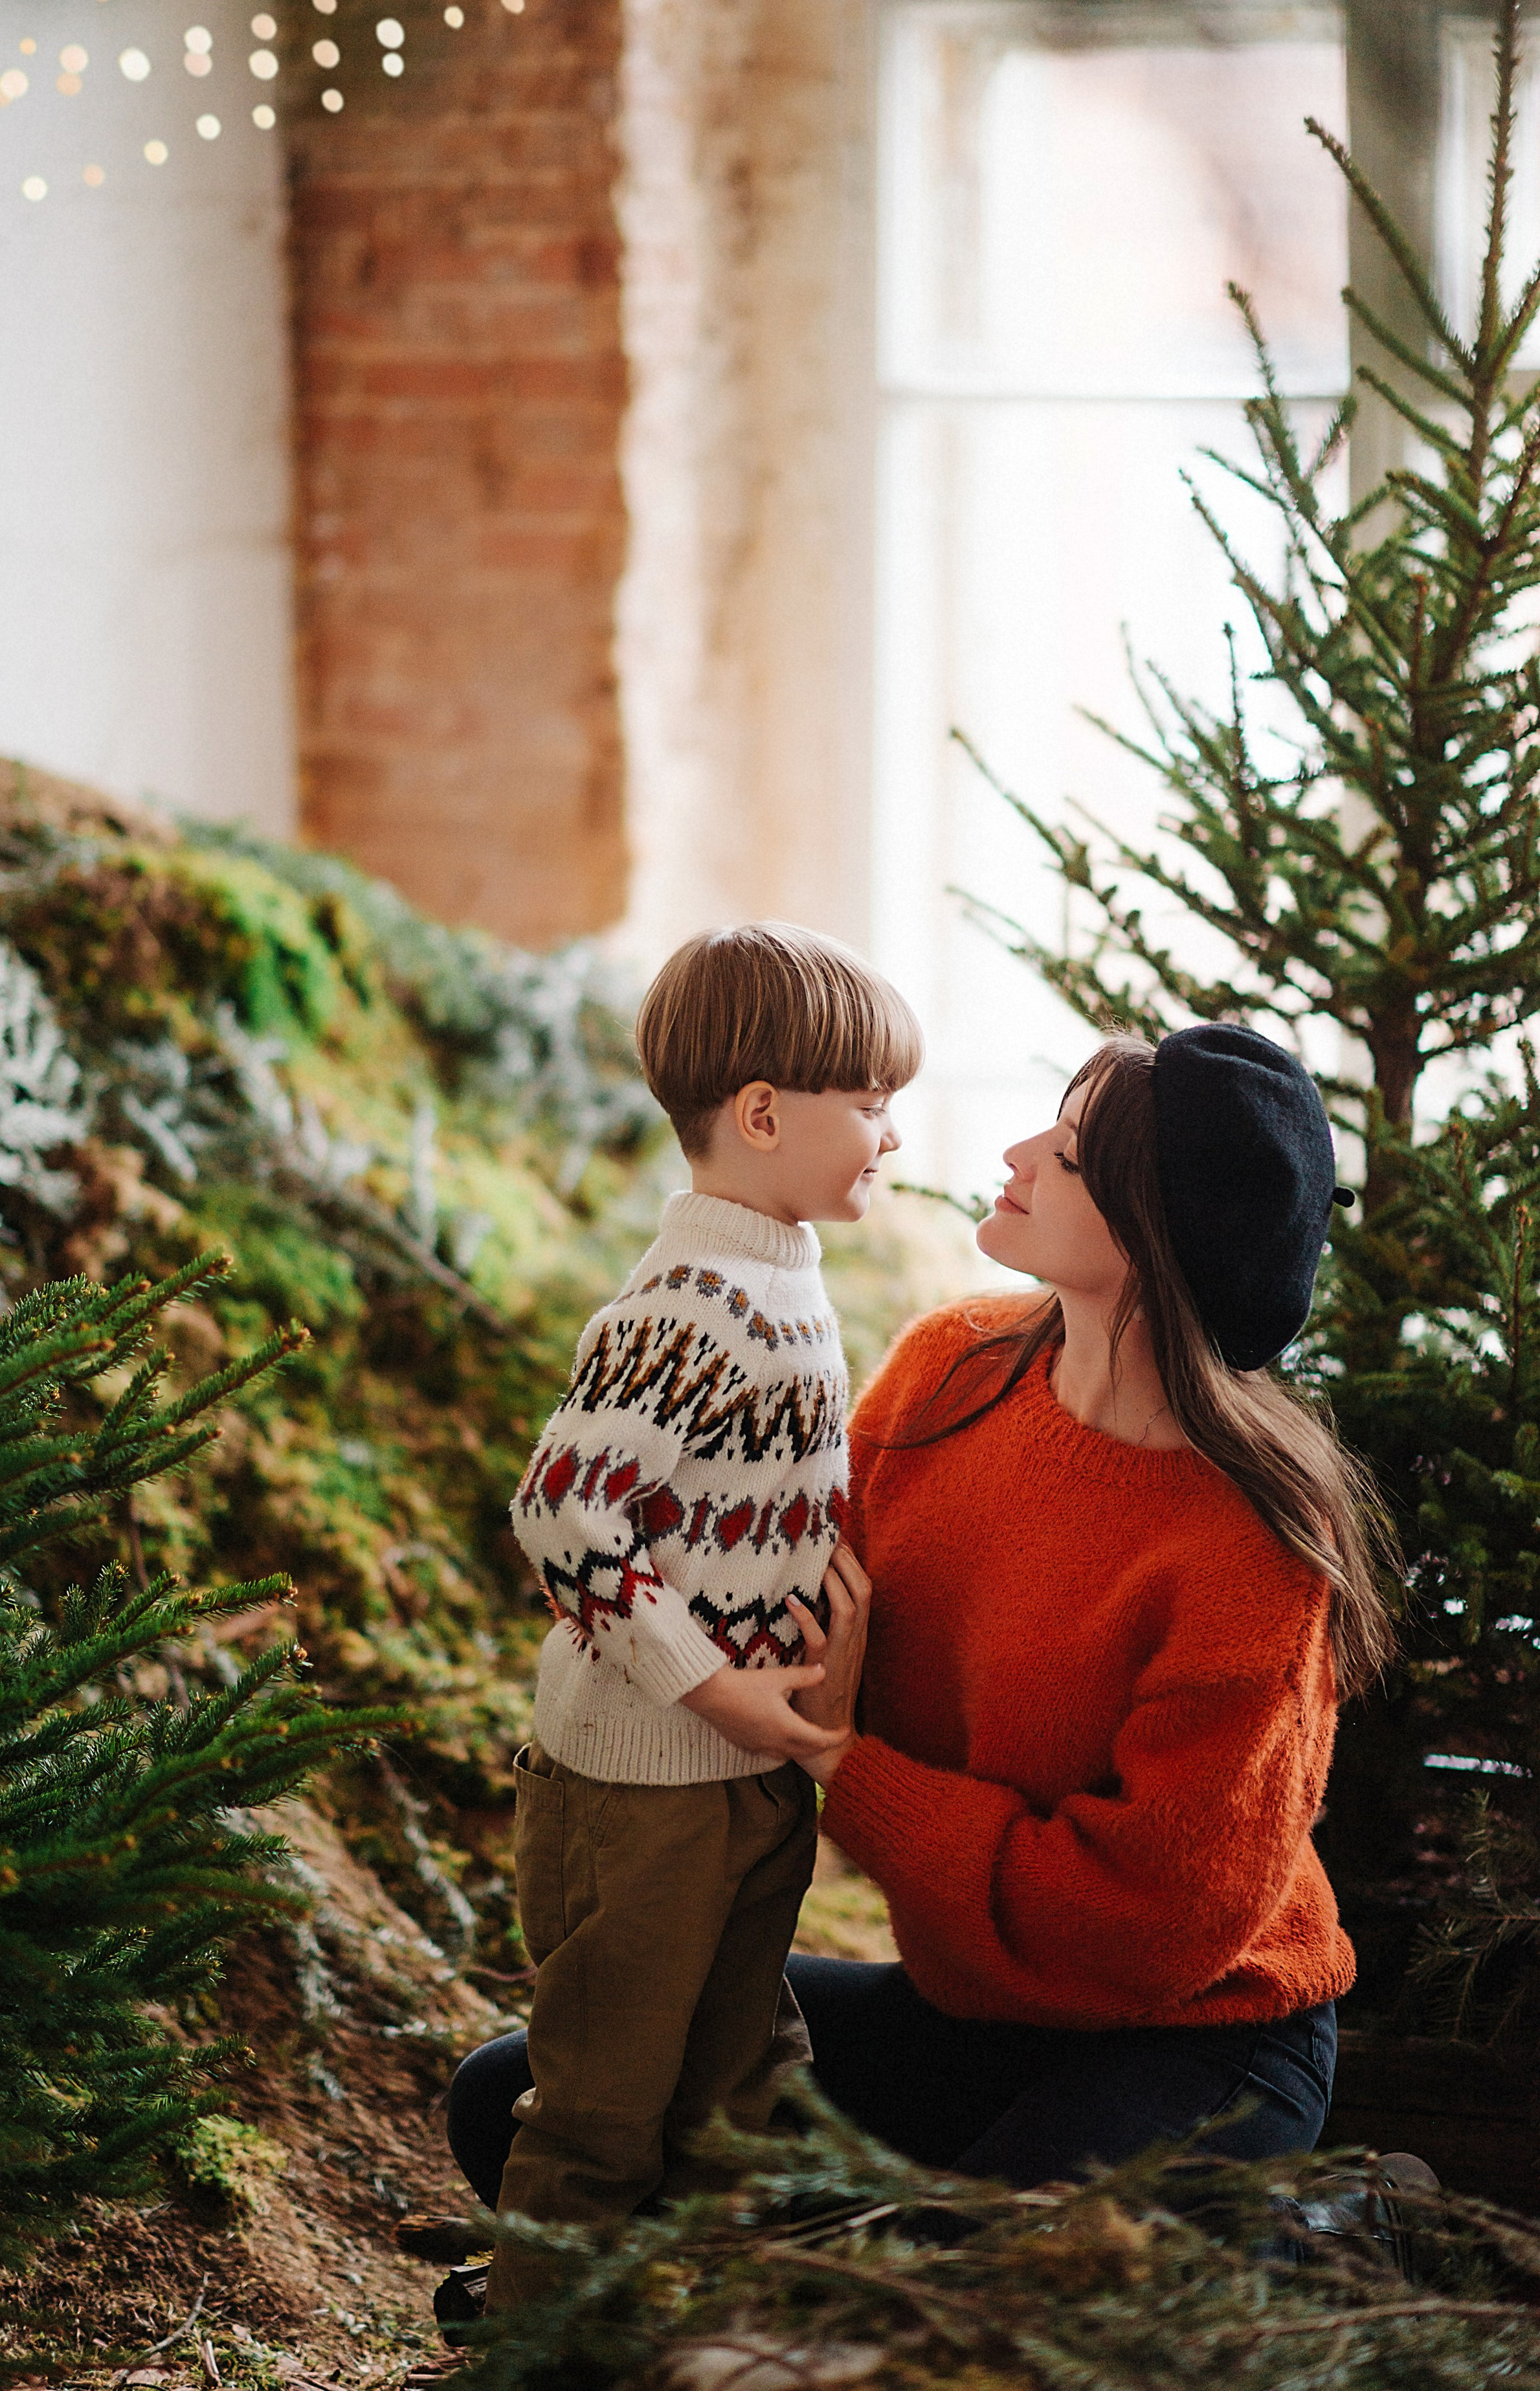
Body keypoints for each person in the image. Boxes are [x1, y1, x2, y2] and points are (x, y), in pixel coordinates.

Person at [448, 1022, 1396, 2216]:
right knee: (519, 2102)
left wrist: (850, 1765)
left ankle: (1331, 2237)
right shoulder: (952, 1370)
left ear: (1159, 1229)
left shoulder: (1249, 1548)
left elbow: (1143, 1930)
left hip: (1199, 2037)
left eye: (1068, 1152)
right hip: (968, 2010)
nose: (1018, 1153)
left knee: (983, 2276)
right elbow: (760, 1587)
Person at [477, 921, 922, 2308]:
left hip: (746, 1772)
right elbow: (563, 1511)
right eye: (871, 1103)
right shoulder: (693, 1302)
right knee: (603, 2107)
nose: (893, 1135)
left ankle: (699, 2338)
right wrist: (713, 1685)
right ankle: (543, 2347)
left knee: (741, 2088)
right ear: (763, 1113)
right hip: (643, 1785)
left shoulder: (783, 1270)